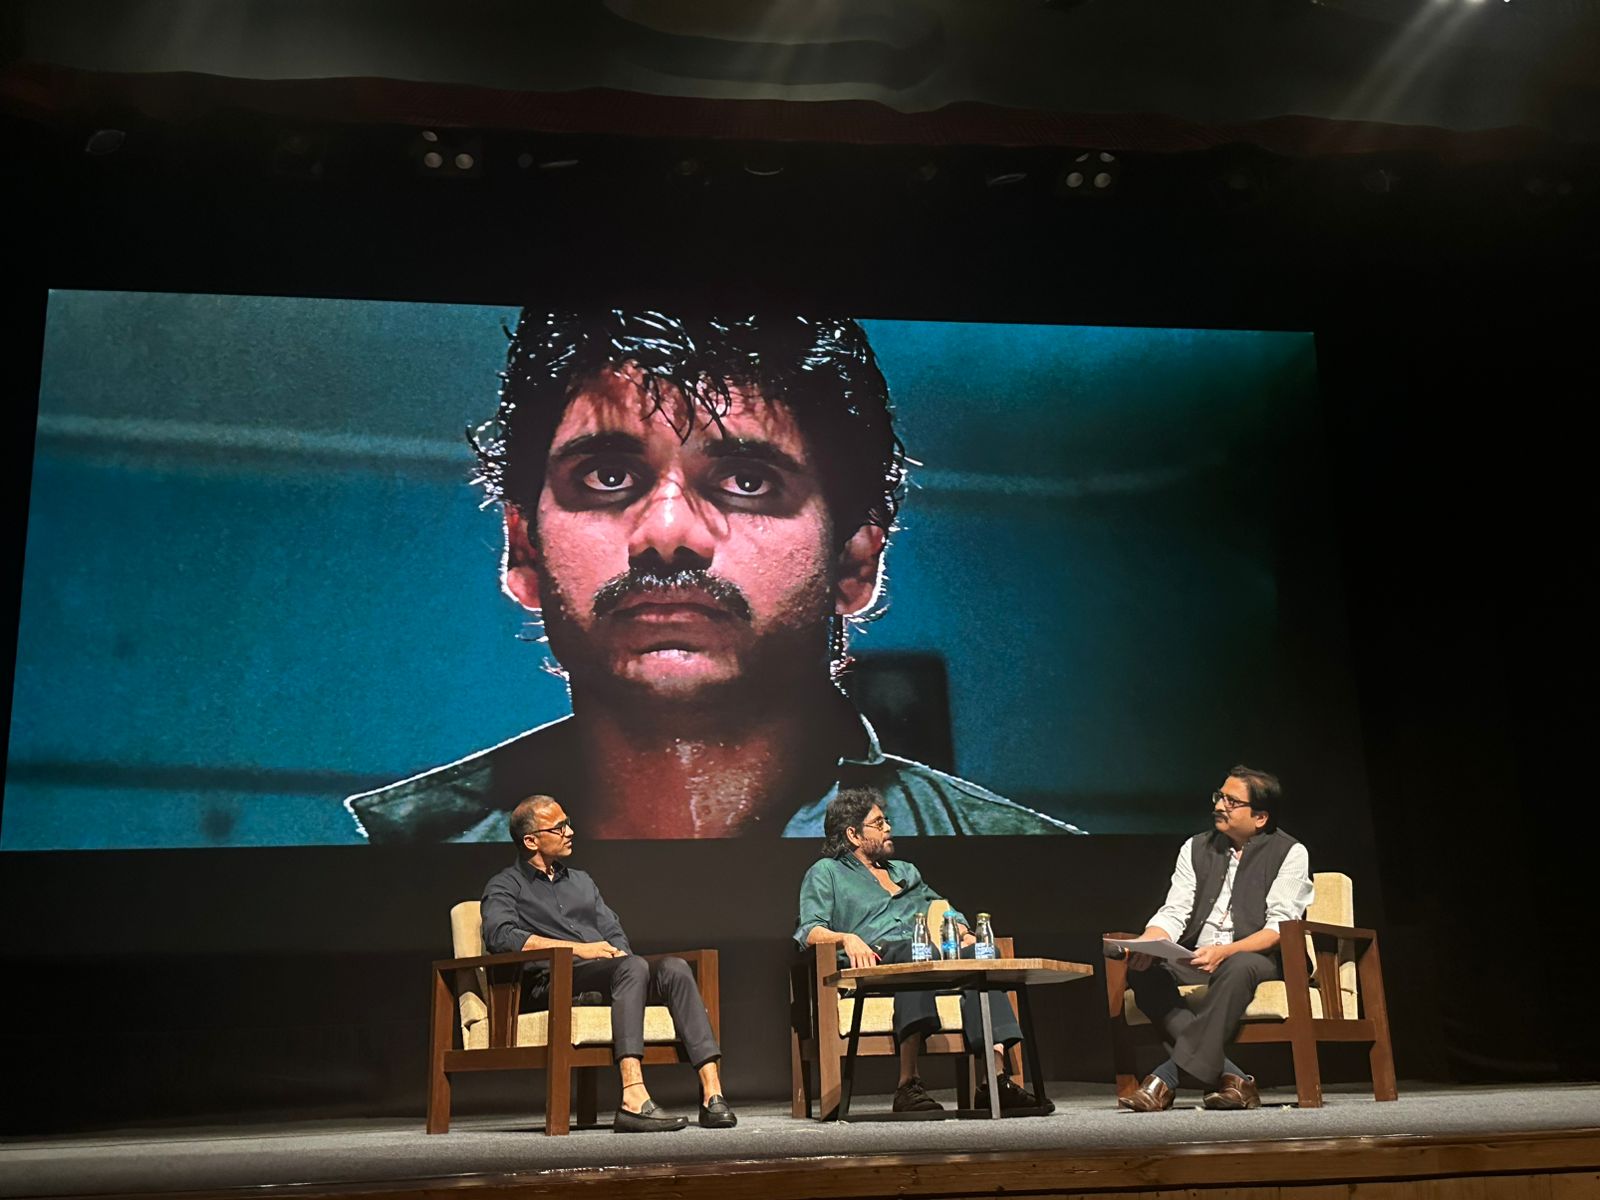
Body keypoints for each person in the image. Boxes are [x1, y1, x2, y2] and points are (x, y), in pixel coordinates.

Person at [346, 312, 1082, 841]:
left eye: (748, 481)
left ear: (855, 563)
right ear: (524, 552)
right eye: (607, 475)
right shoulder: (396, 858)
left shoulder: (1024, 865)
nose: (667, 533)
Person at [479, 794, 736, 1132]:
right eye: (559, 828)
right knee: (632, 968)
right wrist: (578, 950)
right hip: (552, 984)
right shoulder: (505, 885)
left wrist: (621, 959)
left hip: (603, 978)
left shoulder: (582, 882)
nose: (570, 832)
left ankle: (712, 1095)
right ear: (530, 841)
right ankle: (632, 1095)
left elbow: (614, 933)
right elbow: (500, 936)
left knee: (673, 967)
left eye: (568, 823)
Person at [794, 788, 1053, 1114]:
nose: (888, 828)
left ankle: (992, 1081)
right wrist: (847, 938)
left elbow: (944, 910)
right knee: (912, 952)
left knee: (980, 957)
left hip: (924, 955)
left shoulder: (906, 871)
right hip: (873, 961)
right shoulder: (826, 873)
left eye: (887, 820)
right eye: (878, 823)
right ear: (854, 834)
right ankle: (908, 1084)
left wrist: (963, 932)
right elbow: (809, 930)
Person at [1117, 766, 1313, 1112]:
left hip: (1253, 957)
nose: (1220, 805)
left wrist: (1226, 951)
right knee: (1142, 971)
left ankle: (1166, 1078)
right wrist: (1150, 941)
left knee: (1237, 967)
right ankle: (1236, 1080)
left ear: (1260, 817)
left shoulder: (1290, 852)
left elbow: (1279, 927)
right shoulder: (1195, 847)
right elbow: (1174, 910)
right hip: (1196, 955)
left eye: (1232, 801)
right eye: (1219, 796)